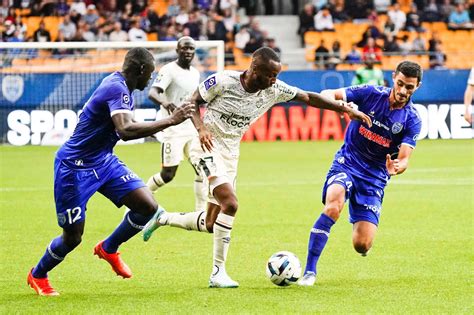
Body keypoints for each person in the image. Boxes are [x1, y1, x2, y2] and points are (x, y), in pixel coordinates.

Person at [142, 47, 372, 288]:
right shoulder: (223, 80)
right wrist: (200, 128)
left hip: (231, 154)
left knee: (211, 223)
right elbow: (192, 102)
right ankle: (217, 273)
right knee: (230, 204)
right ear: (254, 69)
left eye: (276, 76)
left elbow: (308, 97)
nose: (274, 81)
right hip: (206, 147)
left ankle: (163, 218)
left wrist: (343, 108)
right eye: (270, 75)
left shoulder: (273, 90)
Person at [27, 47, 194, 296]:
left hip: (103, 161)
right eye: (150, 72)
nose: (150, 78)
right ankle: (38, 274)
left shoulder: (121, 86)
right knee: (73, 237)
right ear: (140, 69)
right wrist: (172, 120)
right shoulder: (116, 87)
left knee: (147, 207)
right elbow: (126, 130)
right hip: (74, 168)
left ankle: (109, 247)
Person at [298, 61, 423, 286]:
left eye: (410, 87)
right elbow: (326, 94)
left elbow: (404, 159)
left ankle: (360, 222)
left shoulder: (412, 119)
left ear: (418, 87)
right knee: (333, 205)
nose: (404, 91)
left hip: (375, 177)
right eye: (401, 84)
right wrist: (345, 107)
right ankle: (309, 271)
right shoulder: (370, 92)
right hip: (347, 163)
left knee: (362, 244)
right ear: (393, 77)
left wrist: (397, 167)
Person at [146, 37, 207, 213]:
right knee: (168, 175)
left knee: (202, 170)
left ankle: (200, 213)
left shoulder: (195, 73)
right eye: (184, 48)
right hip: (172, 129)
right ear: (177, 50)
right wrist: (166, 103)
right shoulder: (169, 70)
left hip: (191, 128)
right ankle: (141, 196)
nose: (188, 51)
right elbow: (153, 92)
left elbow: (193, 101)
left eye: (191, 49)